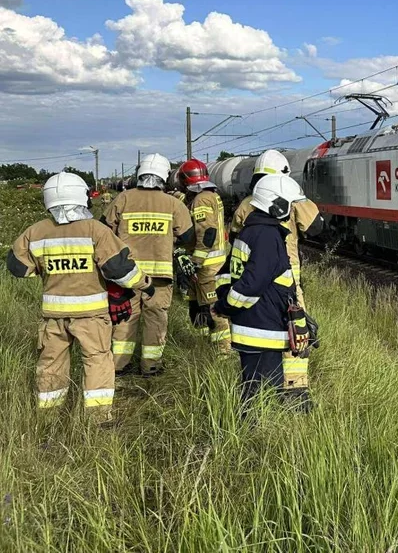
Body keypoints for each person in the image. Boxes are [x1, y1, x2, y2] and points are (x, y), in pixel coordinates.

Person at [6, 172, 154, 423]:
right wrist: (145, 283)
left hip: (53, 317)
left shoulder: (36, 231)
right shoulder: (95, 230)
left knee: (51, 363)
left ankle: (49, 417)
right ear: (81, 197)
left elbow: (17, 267)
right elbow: (119, 270)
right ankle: (98, 418)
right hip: (92, 316)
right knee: (97, 361)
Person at [214, 174, 314, 409]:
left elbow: (226, 274)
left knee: (253, 386)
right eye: (289, 205)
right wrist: (224, 307)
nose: (291, 212)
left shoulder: (250, 232)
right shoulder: (267, 236)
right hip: (263, 330)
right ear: (277, 205)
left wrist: (223, 304)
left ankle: (251, 432)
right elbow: (251, 285)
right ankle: (256, 438)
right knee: (263, 394)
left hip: (252, 325)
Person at [229, 150, 322, 393]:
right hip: (287, 279)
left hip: (252, 279)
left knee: (258, 334)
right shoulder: (293, 201)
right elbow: (316, 228)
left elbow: (234, 240)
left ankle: (258, 389)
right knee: (295, 328)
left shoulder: (245, 204)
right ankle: (294, 390)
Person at [101, 154, 194, 375]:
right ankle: (151, 366)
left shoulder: (122, 199)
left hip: (127, 276)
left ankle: (119, 366)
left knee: (126, 319)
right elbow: (189, 236)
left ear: (139, 174)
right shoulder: (173, 203)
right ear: (164, 177)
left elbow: (103, 231)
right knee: (156, 319)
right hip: (160, 277)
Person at [177, 159, 230, 351]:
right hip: (212, 262)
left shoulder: (200, 200)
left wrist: (196, 261)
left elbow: (207, 232)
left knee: (213, 310)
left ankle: (223, 352)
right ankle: (204, 346)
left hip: (208, 265)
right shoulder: (211, 195)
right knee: (200, 307)